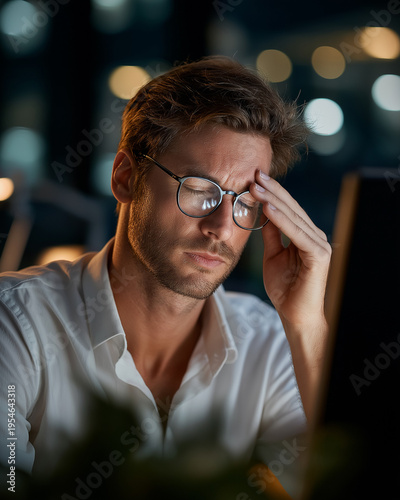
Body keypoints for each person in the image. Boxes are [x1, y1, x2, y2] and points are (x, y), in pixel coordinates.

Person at [0, 56, 331, 494]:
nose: (222, 229)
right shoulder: (16, 321)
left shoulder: (270, 344)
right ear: (125, 178)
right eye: (198, 190)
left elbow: (340, 484)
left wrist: (308, 326)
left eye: (246, 203)